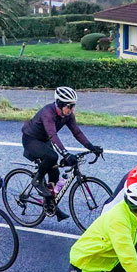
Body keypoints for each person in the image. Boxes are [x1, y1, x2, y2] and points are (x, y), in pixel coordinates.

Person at [20, 86, 103, 220]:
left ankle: (51, 205)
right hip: (31, 139)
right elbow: (53, 136)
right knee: (52, 156)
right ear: (60, 104)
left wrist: (91, 147)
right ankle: (37, 180)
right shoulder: (48, 113)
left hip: (43, 140)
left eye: (73, 106)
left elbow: (77, 132)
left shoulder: (67, 115)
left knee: (55, 173)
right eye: (69, 106)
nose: (72, 109)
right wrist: (66, 154)